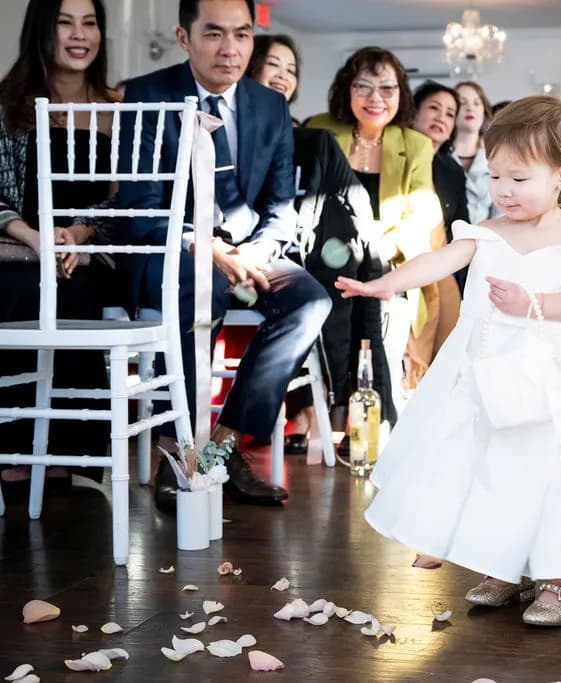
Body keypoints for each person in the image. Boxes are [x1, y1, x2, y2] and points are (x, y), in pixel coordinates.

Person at [335, 95, 561, 628]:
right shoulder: (485, 232)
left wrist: (533, 304)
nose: (503, 191)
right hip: (486, 376)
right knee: (497, 471)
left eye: (518, 179)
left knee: (557, 474)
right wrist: (384, 284)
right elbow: (435, 260)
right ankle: (503, 564)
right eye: (495, 178)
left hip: (553, 379)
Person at [118, 0, 331, 511]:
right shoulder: (148, 95)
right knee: (203, 287)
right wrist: (206, 247)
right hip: (174, 250)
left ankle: (223, 444)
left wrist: (259, 250)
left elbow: (281, 206)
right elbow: (139, 207)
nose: (230, 49)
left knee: (309, 299)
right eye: (214, 34)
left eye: (242, 34)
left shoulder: (270, 105)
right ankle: (177, 451)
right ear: (184, 37)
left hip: (249, 247)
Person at [245, 33, 385, 454]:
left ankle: (304, 410)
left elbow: (349, 203)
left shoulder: (310, 141)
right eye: (274, 64)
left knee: (327, 284)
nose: (283, 76)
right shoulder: (229, 130)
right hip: (225, 256)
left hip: (291, 257)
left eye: (291, 70)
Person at [0, 0, 119, 493]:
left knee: (73, 288)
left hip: (93, 250)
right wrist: (31, 233)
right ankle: (15, 449)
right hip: (19, 245)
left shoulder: (119, 105)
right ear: (41, 31)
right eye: (64, 22)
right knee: (19, 289)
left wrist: (80, 231)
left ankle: (71, 452)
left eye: (89, 23)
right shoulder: (9, 104)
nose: (79, 34)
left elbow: (127, 199)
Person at [306, 46, 441, 404]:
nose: (375, 98)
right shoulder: (320, 129)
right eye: (363, 87)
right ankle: (365, 407)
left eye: (387, 88)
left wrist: (374, 249)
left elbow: (419, 215)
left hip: (385, 261)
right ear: (346, 90)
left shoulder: (416, 145)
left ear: (401, 95)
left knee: (373, 286)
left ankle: (360, 406)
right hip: (324, 259)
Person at [410, 80, 468, 359]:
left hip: (442, 266)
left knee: (448, 351)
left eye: (449, 113)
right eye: (434, 108)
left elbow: (461, 227)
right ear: (413, 112)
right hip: (403, 265)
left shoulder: (451, 169)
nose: (441, 118)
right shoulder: (395, 155)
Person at [452, 81, 499, 225]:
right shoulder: (436, 156)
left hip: (485, 240)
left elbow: (501, 214)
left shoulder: (496, 158)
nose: (470, 108)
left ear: (484, 112)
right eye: (462, 102)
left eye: (476, 103)